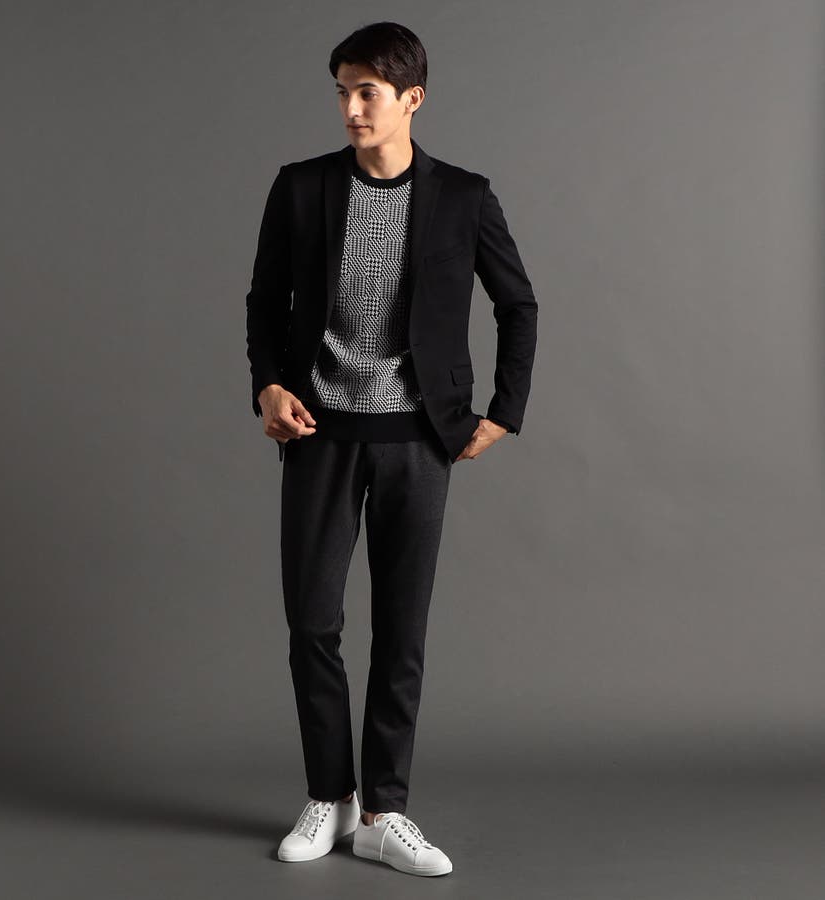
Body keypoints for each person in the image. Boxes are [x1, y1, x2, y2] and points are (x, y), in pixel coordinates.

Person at [245, 21, 538, 877]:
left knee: (402, 630)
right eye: (342, 91)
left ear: (413, 99)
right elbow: (265, 300)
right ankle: (329, 796)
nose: (351, 108)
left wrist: (504, 411)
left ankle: (384, 811)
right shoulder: (302, 187)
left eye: (367, 92)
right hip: (321, 434)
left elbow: (518, 304)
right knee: (313, 622)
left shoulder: (463, 197)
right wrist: (268, 385)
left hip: (419, 440)